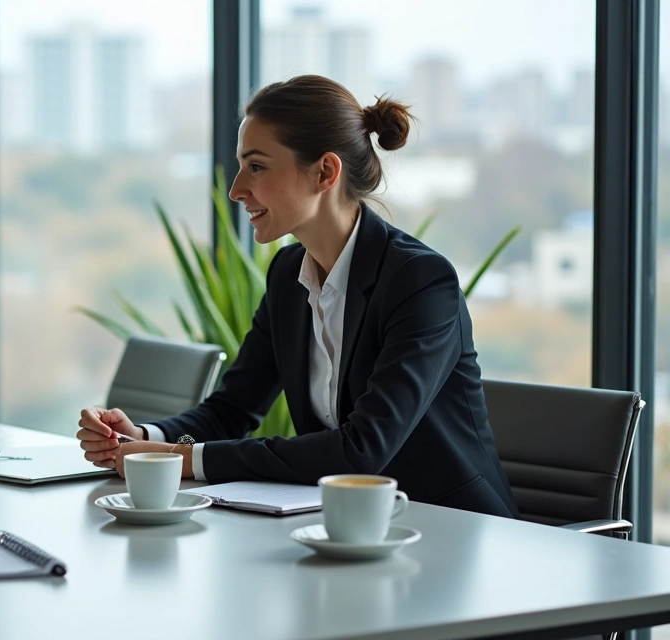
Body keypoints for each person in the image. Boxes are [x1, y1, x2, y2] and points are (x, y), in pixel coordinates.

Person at [76, 75, 518, 518]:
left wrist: (185, 458)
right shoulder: (288, 275)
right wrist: (145, 440)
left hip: (452, 525)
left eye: (256, 167)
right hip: (347, 523)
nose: (236, 190)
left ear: (325, 172)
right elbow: (232, 411)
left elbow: (363, 449)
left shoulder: (419, 280)